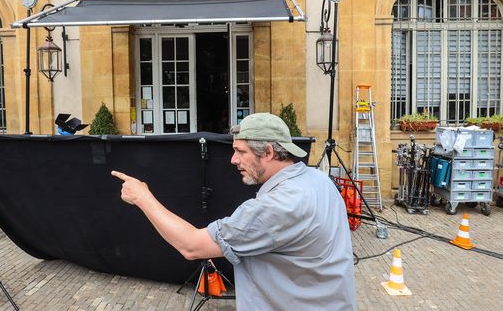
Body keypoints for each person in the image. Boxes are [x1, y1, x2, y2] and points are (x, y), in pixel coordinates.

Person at [112, 112, 356, 310]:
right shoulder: (317, 179)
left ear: (269, 152)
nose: (233, 160)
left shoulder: (277, 206)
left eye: (241, 151)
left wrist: (142, 197)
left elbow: (191, 246)